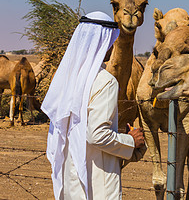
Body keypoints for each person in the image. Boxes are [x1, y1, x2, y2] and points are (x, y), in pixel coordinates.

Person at [41, 11, 145, 199]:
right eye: (110, 40)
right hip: (97, 182)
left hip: (71, 176)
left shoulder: (67, 79)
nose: (112, 46)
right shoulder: (105, 81)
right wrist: (131, 141)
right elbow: (96, 135)